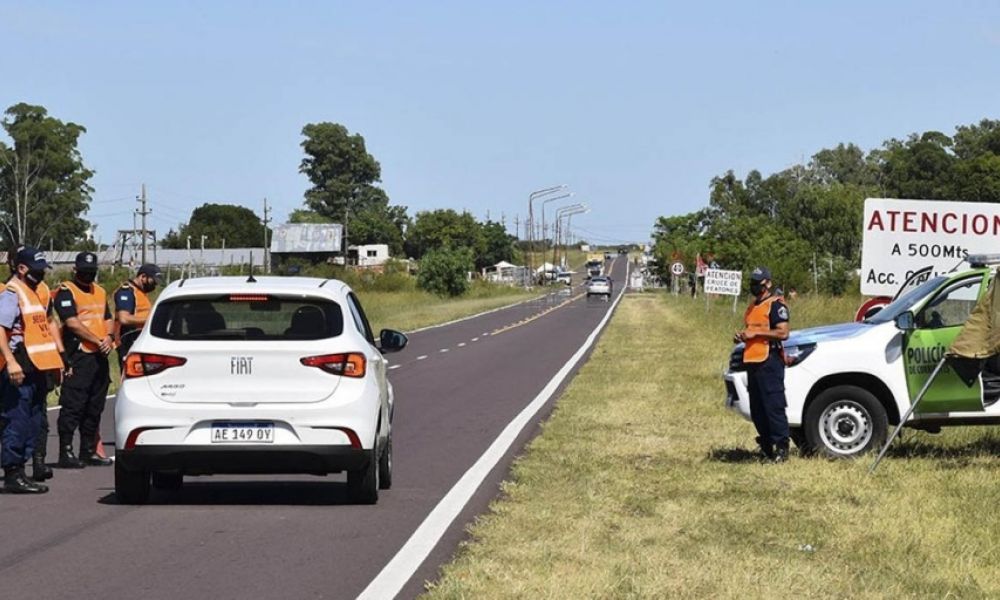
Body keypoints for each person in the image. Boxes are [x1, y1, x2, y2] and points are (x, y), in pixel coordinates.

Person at [0, 247, 65, 493]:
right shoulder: (11, 293)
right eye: (37, 270)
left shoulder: (34, 292)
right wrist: (11, 361)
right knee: (16, 419)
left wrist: (57, 363)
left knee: (33, 419)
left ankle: (22, 470)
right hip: (18, 363)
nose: (41, 275)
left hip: (37, 364)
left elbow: (44, 330)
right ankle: (13, 473)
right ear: (22, 268)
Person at [53, 252, 114, 468]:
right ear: (75, 270)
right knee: (73, 404)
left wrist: (108, 337)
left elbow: (108, 318)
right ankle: (66, 452)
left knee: (95, 405)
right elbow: (71, 322)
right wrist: (97, 340)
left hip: (100, 355)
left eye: (92, 271)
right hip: (78, 355)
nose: (88, 275)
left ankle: (88, 450)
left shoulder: (100, 291)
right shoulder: (65, 291)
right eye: (84, 271)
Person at [735, 266, 791, 463]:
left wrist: (756, 334)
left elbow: (783, 333)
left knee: (773, 405)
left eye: (757, 283)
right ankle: (766, 446)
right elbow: (752, 330)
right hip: (752, 359)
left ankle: (781, 448)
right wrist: (742, 337)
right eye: (751, 283)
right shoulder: (752, 306)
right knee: (757, 408)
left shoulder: (776, 305)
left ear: (767, 283)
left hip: (770, 360)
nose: (754, 287)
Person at [114, 263, 161, 368]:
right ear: (143, 277)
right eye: (153, 281)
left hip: (139, 341)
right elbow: (124, 318)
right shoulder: (127, 292)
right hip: (128, 342)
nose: (154, 285)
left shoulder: (140, 292)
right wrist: (152, 320)